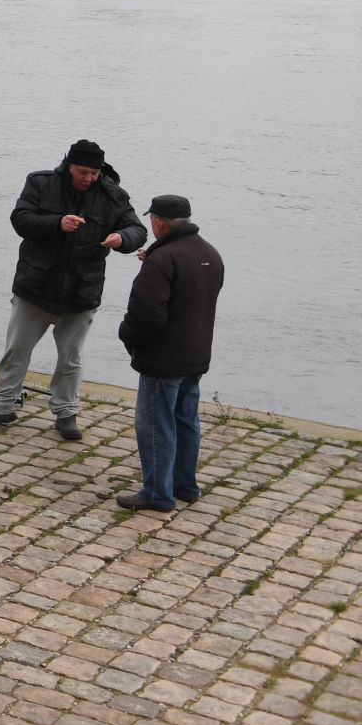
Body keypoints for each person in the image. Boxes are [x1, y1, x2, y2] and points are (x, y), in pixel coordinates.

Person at [0, 140, 146, 440]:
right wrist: (57, 223)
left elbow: (137, 229)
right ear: (69, 164)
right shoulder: (40, 183)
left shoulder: (114, 196)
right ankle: (2, 406)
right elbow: (20, 219)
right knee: (16, 350)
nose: (89, 178)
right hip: (34, 287)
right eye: (83, 171)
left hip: (82, 292)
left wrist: (121, 237)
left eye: (94, 172)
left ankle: (66, 413)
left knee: (71, 358)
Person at [114, 195, 225, 512]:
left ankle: (157, 493)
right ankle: (185, 485)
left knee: (154, 424)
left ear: (159, 222)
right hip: (196, 355)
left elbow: (147, 315)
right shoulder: (209, 253)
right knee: (186, 421)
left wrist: (127, 336)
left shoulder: (163, 260)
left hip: (163, 359)